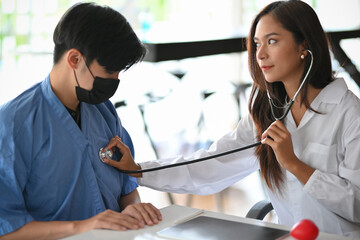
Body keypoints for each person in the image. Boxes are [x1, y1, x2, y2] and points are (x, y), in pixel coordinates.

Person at [101, 0, 360, 238]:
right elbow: (212, 164)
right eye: (257, 44)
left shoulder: (349, 113)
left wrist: (295, 164)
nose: (260, 55)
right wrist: (138, 170)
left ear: (304, 45)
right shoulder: (265, 113)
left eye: (272, 41)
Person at [0, 3, 162, 239]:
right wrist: (83, 226)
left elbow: (127, 190)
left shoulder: (105, 113)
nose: (115, 80)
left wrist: (132, 208)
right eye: (109, 71)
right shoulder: (14, 125)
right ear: (74, 59)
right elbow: (5, 228)